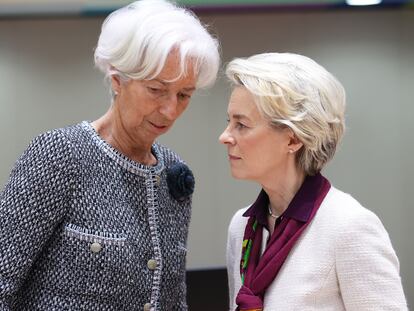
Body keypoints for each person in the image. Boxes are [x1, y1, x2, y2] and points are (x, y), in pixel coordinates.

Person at [0, 1, 219, 310]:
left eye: (184, 95)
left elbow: (172, 299)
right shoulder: (61, 156)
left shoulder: (173, 173)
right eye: (156, 89)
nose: (171, 110)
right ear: (118, 79)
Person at [219, 53, 407, 310]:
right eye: (228, 122)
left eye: (241, 124)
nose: (225, 136)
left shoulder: (349, 227)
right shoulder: (241, 226)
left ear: (293, 139)